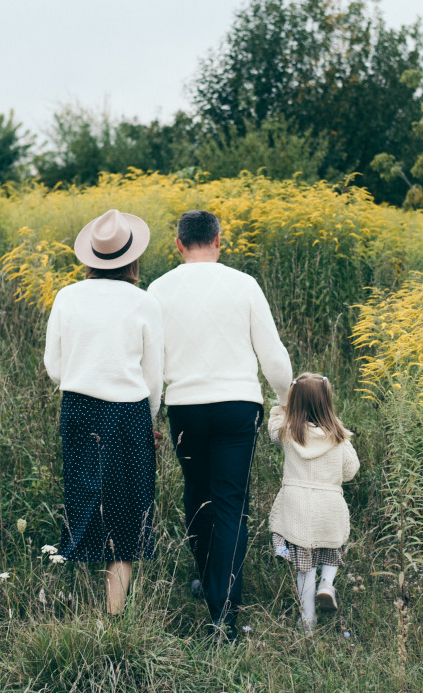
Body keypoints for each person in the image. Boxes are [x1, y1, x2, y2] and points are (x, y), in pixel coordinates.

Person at [148, 209, 292, 640]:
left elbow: (152, 368)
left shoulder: (159, 289)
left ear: (178, 245)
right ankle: (223, 612)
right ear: (218, 239)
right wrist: (287, 401)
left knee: (197, 494)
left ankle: (210, 583)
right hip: (237, 407)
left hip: (186, 408)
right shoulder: (243, 284)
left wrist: (150, 413)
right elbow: (274, 357)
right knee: (230, 503)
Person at [44, 208, 164, 615]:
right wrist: (149, 420)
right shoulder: (144, 302)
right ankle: (113, 613)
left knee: (84, 497)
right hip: (129, 412)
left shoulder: (66, 296)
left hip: (77, 407)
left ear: (91, 257)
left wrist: (82, 376)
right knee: (128, 508)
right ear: (133, 258)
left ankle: (78, 601)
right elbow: (153, 377)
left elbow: (53, 366)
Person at [268, 372, 359, 635]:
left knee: (304, 567)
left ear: (294, 402)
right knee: (332, 549)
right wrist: (339, 430)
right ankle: (327, 584)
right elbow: (350, 470)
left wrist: (282, 407)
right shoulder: (338, 436)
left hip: (296, 509)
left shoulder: (287, 432)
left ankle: (307, 620)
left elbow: (273, 428)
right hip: (328, 507)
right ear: (327, 403)